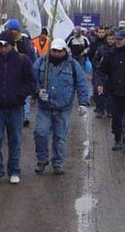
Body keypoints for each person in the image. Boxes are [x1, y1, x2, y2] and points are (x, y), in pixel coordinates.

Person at [0, 30, 36, 185]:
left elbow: (31, 83)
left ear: (12, 45)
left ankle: (14, 170)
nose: (2, 48)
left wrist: (19, 96)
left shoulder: (23, 60)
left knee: (15, 140)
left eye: (5, 45)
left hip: (16, 107)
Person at [33, 39, 89, 175]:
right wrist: (37, 91)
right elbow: (31, 80)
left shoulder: (73, 66)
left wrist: (83, 103)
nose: (57, 53)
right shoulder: (41, 63)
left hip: (64, 108)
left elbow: (81, 84)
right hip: (44, 107)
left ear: (65, 51)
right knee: (40, 133)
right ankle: (42, 159)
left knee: (60, 137)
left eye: (60, 51)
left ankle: (58, 163)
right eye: (54, 50)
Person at [5, 18, 36, 127]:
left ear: (19, 30)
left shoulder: (25, 42)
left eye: (15, 29)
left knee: (25, 96)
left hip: (23, 74)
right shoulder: (4, 41)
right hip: (8, 74)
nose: (13, 32)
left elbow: (32, 57)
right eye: (11, 29)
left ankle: (25, 117)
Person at [92, 30, 115, 118]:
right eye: (109, 39)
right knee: (100, 92)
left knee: (110, 94)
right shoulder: (101, 48)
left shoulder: (117, 49)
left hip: (112, 75)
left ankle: (110, 110)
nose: (110, 41)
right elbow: (95, 59)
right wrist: (99, 67)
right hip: (101, 74)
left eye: (112, 39)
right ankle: (100, 110)